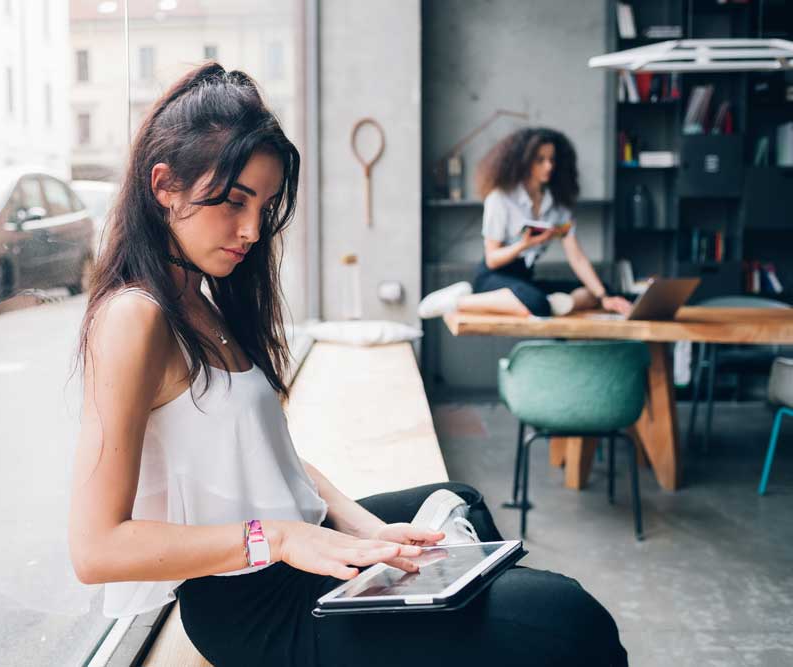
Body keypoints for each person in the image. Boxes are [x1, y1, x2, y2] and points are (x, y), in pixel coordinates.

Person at [68, 63, 628, 666]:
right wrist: (280, 538)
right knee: (568, 617)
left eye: (265, 204)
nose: (253, 229)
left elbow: (264, 452)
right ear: (163, 186)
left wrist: (360, 525)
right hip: (252, 605)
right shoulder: (135, 317)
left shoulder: (199, 299)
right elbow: (96, 548)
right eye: (233, 201)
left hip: (297, 550)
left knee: (456, 502)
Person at [418, 127, 633, 320]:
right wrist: (524, 244)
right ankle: (460, 300)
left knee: (599, 289)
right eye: (540, 160)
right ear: (524, 161)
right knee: (537, 304)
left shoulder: (557, 206)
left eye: (552, 159)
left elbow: (576, 257)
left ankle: (552, 304)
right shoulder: (501, 199)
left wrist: (604, 296)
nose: (548, 166)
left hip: (524, 279)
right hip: (494, 277)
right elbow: (492, 260)